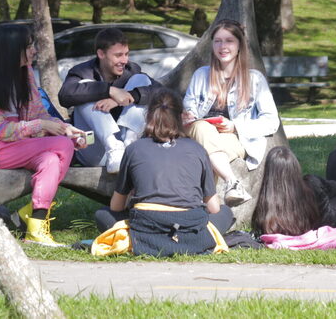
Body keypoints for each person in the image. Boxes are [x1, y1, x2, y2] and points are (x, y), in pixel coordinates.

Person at [0, 23, 86, 247]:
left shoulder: (26, 75)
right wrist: (41, 127)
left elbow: (39, 113)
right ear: (12, 49)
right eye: (29, 45)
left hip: (19, 146)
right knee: (62, 146)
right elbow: (0, 131)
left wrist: (65, 128)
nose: (34, 50)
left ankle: (35, 226)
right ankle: (32, 217)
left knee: (51, 159)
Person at [94, 90, 232, 255]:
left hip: (146, 226)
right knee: (226, 212)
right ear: (181, 117)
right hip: (190, 228)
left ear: (148, 116)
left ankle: (145, 242)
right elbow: (214, 208)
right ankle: (190, 242)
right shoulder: (197, 149)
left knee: (102, 214)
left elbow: (116, 206)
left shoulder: (133, 149)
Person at [182, 19, 279, 207]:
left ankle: (203, 211)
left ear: (239, 45)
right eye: (217, 41)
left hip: (234, 139)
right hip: (199, 133)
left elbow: (271, 121)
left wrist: (235, 127)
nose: (222, 46)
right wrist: (189, 115)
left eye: (229, 41)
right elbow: (190, 106)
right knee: (202, 126)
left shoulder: (254, 80)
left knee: (203, 155)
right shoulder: (202, 75)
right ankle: (231, 183)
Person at [58, 27, 168, 174]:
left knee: (141, 79)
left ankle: (130, 145)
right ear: (101, 54)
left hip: (125, 147)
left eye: (126, 54)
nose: (124, 60)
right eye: (118, 55)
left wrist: (129, 96)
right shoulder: (82, 71)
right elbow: (65, 96)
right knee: (84, 86)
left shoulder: (131, 70)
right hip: (92, 150)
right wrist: (109, 91)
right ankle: (113, 146)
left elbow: (163, 93)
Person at [254, 145, 336, 236]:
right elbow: (331, 187)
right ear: (295, 167)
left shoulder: (265, 206)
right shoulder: (311, 184)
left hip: (332, 220)